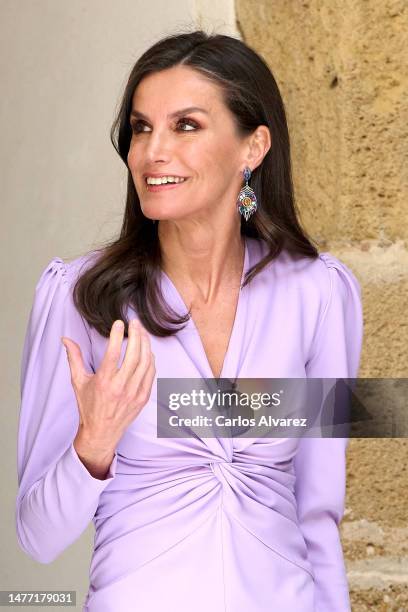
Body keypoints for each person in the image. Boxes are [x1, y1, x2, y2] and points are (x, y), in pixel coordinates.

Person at [16, 30, 363, 612]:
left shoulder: (319, 293)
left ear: (253, 148)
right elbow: (37, 538)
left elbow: (318, 513)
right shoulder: (82, 297)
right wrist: (94, 442)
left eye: (186, 125)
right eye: (142, 126)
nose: (153, 151)